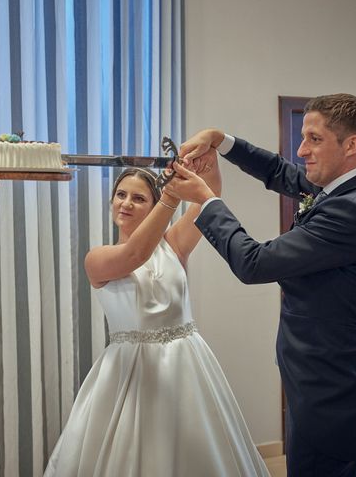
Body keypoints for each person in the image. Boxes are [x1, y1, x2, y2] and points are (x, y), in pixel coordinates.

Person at [165, 93, 356, 477]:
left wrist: (206, 202)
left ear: (352, 145)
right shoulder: (346, 187)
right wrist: (221, 141)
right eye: (303, 137)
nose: (302, 149)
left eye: (315, 139)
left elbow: (253, 263)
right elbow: (281, 172)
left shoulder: (353, 209)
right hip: (321, 380)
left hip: (334, 392)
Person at [44, 167, 269, 476]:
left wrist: (208, 155)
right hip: (131, 373)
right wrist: (170, 198)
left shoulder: (174, 244)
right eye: (120, 195)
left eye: (138, 198)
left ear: (152, 208)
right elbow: (135, 254)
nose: (125, 204)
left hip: (186, 364)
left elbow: (210, 194)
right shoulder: (97, 258)